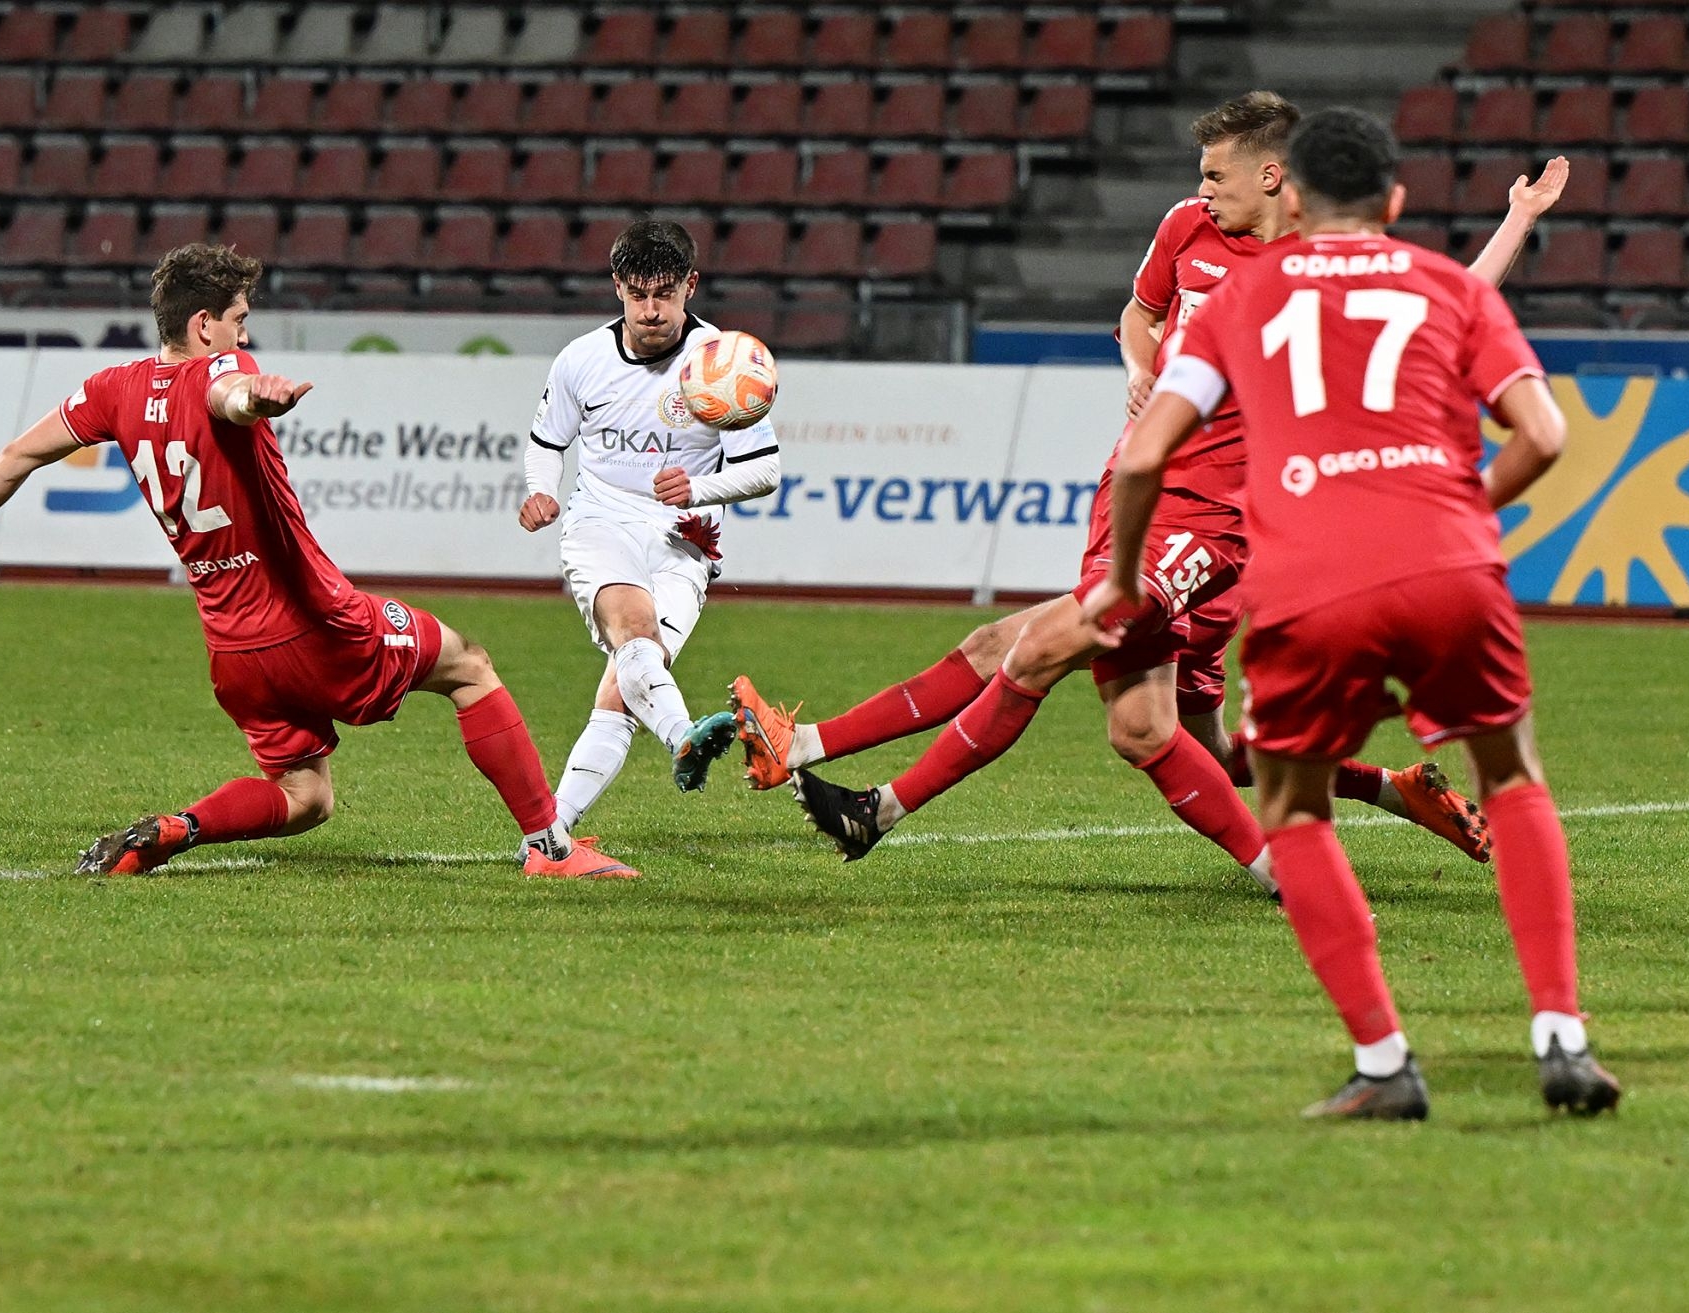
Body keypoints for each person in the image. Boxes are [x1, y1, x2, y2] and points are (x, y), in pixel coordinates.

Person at [737, 93, 1566, 882]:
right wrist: (1141, 367)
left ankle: (869, 802)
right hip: (1138, 498)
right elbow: (1141, 314)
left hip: (1212, 525)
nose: (1203, 190)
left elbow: (1452, 302)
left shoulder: (1316, 268)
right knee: (1156, 733)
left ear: (1271, 175)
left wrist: (1519, 220)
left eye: (1215, 175)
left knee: (1035, 649)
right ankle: (1382, 794)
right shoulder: (1187, 227)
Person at [1083, 107, 1620, 1119]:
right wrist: (1467, 506)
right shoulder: (1446, 285)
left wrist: (1120, 579)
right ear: (1397, 199)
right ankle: (1562, 1037)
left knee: (1291, 805)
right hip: (1450, 561)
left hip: (1313, 574)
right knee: (1511, 777)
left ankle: (1384, 1063)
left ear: (1291, 193)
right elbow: (1545, 435)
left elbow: (1147, 451)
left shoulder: (1244, 293)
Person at [0, 244, 637, 881]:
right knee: (470, 667)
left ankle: (177, 829)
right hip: (314, 623)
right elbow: (225, 394)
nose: (244, 333)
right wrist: (253, 395)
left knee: (306, 797)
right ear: (204, 325)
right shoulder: (225, 369)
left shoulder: (114, 389)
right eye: (238, 318)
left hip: (234, 653)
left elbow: (17, 454)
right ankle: (549, 846)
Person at [518, 219, 780, 833]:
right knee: (635, 632)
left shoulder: (723, 362)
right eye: (638, 295)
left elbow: (765, 470)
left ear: (692, 285)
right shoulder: (581, 359)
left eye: (665, 293)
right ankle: (685, 734)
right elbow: (547, 442)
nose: (651, 310)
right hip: (601, 520)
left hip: (686, 539)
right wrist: (540, 490)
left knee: (625, 690)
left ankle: (550, 837)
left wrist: (700, 488)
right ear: (618, 288)